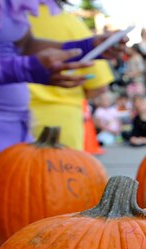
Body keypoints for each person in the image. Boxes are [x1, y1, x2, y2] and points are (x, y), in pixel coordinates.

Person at [0, 0, 105, 248]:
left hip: (17, 123)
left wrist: (87, 47)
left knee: (23, 242)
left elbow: (23, 45)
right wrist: (23, 69)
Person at [27, 3, 114, 150]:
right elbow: (99, 86)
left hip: (6, 122)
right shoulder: (72, 24)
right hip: (63, 123)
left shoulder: (3, 22)